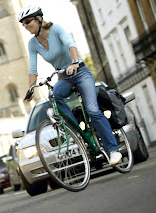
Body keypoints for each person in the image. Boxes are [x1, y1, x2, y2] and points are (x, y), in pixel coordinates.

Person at [18, 5, 122, 166]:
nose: (25, 26)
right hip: (64, 78)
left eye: (27, 21)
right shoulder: (32, 44)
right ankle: (75, 131)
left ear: (39, 19)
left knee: (93, 110)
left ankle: (113, 150)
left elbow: (70, 44)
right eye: (22, 24)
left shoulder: (56, 29)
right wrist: (30, 88)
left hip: (80, 72)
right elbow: (33, 68)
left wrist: (74, 62)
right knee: (54, 95)